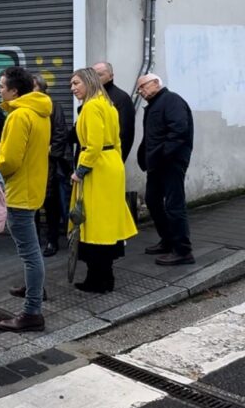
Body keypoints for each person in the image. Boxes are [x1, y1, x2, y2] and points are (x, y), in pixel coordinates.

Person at [0, 66, 51, 332]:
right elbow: (17, 150)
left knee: (30, 254)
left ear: (14, 90)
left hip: (19, 194)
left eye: (2, 86)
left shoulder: (19, 116)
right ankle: (33, 289)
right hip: (32, 189)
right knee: (32, 250)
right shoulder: (38, 111)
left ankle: (32, 311)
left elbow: (11, 161)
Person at [69, 68, 138, 292]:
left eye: (76, 83)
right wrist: (115, 163)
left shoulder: (91, 106)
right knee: (107, 223)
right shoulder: (108, 104)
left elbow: (93, 145)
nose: (73, 88)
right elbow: (117, 141)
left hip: (97, 167)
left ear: (88, 82)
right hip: (111, 165)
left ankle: (97, 278)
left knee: (93, 222)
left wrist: (80, 171)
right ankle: (104, 277)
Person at [136, 73, 195, 265]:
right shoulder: (155, 104)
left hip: (170, 163)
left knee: (174, 205)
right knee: (153, 200)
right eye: (139, 88)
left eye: (142, 86)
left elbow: (179, 131)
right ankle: (168, 240)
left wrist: (163, 155)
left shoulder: (171, 100)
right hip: (157, 164)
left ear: (155, 83)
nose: (140, 91)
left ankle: (183, 251)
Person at [32, 75, 71, 257]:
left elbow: (60, 134)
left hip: (49, 164)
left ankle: (52, 240)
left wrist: (49, 152)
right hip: (31, 164)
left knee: (51, 204)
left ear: (42, 88)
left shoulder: (53, 107)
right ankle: (34, 240)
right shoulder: (25, 108)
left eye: (33, 87)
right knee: (31, 205)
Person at [93, 61, 135, 161]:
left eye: (99, 75)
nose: (95, 79)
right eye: (93, 75)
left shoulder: (121, 98)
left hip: (108, 159)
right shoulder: (92, 96)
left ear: (111, 76)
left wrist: (118, 159)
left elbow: (125, 134)